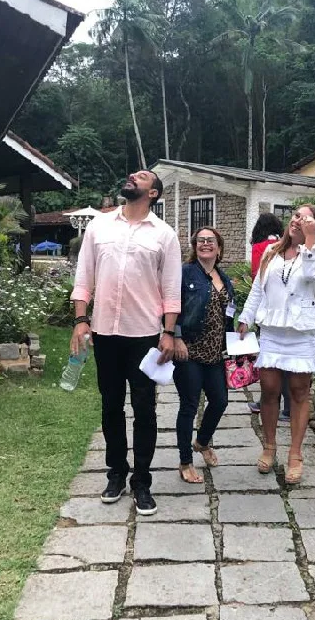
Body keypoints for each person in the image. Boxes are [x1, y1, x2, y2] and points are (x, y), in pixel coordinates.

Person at [70, 170, 181, 516]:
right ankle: (116, 472)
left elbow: (171, 289)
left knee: (145, 409)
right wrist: (80, 320)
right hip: (105, 332)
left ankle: (142, 481)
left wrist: (168, 332)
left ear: (154, 193)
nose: (133, 176)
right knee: (111, 406)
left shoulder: (165, 235)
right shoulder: (99, 226)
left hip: (144, 333)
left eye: (142, 176)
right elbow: (83, 277)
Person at [238, 204, 315, 484]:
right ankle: (269, 446)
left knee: (299, 391)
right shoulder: (271, 252)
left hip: (302, 332)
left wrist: (309, 239)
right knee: (269, 389)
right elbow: (257, 288)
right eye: (297, 215)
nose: (298, 220)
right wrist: (245, 318)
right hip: (272, 330)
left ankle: (295, 454)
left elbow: (311, 274)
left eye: (306, 218)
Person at [172, 227, 234, 483]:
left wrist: (236, 339)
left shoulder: (223, 277)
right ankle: (185, 461)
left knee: (220, 401)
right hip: (189, 350)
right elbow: (171, 304)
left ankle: (202, 441)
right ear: (195, 246)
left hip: (215, 353)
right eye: (201, 240)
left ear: (219, 248)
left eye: (211, 240)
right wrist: (175, 336)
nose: (205, 244)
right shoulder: (185, 273)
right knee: (189, 406)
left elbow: (228, 313)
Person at [246, 213, 291, 421]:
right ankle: (289, 407)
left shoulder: (260, 247)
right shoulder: (286, 245)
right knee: (288, 363)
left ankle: (267, 401)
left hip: (268, 311)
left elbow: (257, 277)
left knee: (270, 362)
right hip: (290, 312)